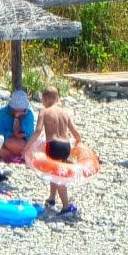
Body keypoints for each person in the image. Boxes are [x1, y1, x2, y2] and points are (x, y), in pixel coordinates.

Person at [28, 86, 84, 215]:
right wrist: (78, 143)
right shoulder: (65, 112)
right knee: (55, 170)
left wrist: (28, 146)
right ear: (57, 98)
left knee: (58, 175)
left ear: (45, 99)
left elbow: (38, 131)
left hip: (53, 145)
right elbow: (76, 133)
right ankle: (52, 198)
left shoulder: (44, 111)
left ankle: (66, 206)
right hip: (66, 146)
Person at [0, 90, 36, 163]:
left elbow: (28, 135)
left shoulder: (28, 114)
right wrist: (12, 135)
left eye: (21, 110)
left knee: (11, 144)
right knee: (0, 147)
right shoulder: (2, 113)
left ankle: (13, 156)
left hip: (21, 143)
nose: (18, 112)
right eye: (16, 110)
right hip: (5, 141)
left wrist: (17, 118)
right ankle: (18, 157)